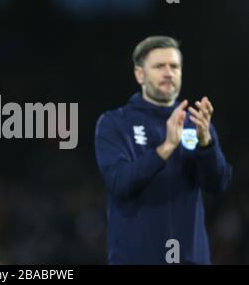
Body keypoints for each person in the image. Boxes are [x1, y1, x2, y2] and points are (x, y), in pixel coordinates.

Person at [94, 36, 232, 264]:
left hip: (191, 259)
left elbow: (218, 185)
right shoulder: (114, 123)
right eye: (159, 66)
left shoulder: (197, 123)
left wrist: (207, 144)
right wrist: (166, 147)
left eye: (174, 66)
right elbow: (120, 183)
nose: (168, 73)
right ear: (140, 74)